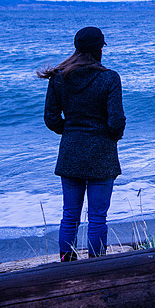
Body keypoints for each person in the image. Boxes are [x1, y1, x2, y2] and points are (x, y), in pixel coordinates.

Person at [37, 26, 126, 261]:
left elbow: (51, 119)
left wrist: (71, 133)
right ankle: (95, 267)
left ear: (76, 48)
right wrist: (109, 137)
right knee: (97, 217)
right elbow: (116, 121)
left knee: (70, 215)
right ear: (99, 49)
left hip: (71, 153)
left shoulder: (58, 77)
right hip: (102, 154)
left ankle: (67, 264)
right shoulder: (109, 78)